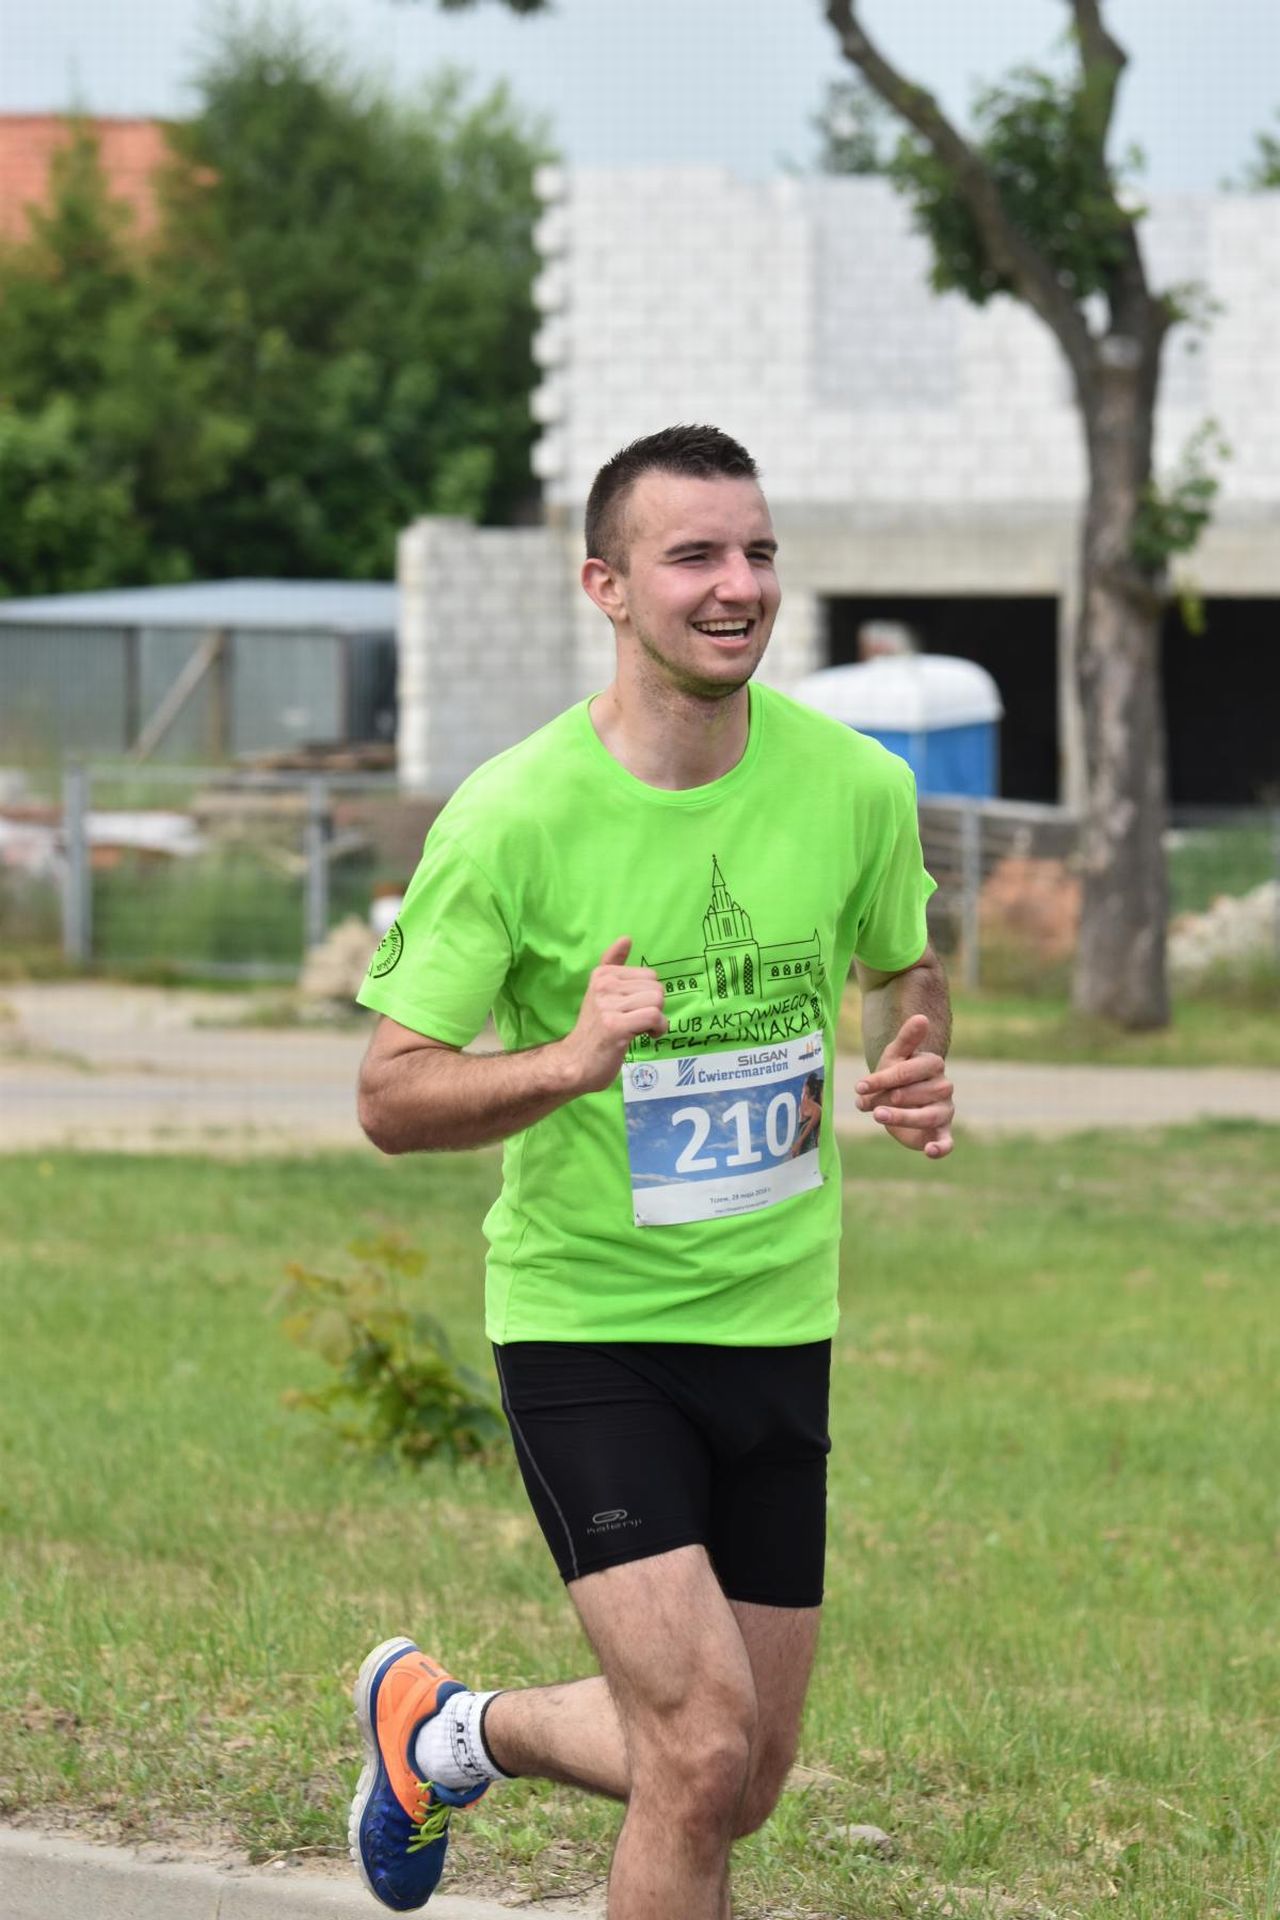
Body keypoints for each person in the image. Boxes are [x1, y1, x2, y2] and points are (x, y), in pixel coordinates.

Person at [350, 423, 954, 1919]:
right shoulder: (515, 814)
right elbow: (391, 1096)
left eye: (758, 552)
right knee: (696, 1747)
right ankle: (451, 1734)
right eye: (694, 556)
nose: (738, 584)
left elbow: (900, 965)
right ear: (606, 587)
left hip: (779, 1323)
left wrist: (911, 1055)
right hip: (591, 1329)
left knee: (741, 1779)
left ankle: (452, 1733)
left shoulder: (857, 786)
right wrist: (566, 1062)